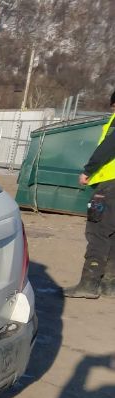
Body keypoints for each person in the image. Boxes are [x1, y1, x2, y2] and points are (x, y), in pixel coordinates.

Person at [65, 90, 115, 298]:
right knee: (112, 233)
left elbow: (108, 147)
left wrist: (88, 170)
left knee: (98, 232)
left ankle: (89, 283)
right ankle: (109, 284)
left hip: (109, 184)